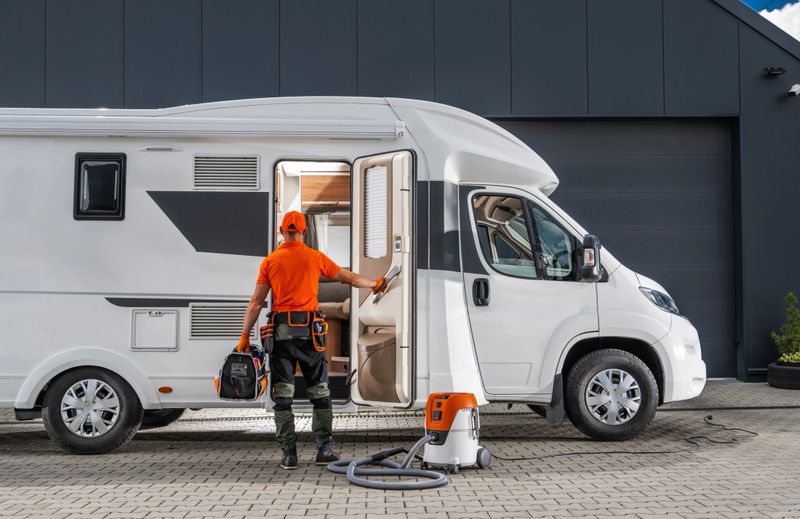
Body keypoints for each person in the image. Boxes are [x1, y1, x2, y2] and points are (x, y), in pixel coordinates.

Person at [237, 211, 385, 470]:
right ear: (304, 232)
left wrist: (243, 337)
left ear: (282, 232)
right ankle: (324, 449)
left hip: (280, 336)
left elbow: (256, 302)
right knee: (319, 392)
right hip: (310, 337)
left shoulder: (270, 261)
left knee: (282, 395)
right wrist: (375, 284)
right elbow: (349, 278)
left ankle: (289, 454)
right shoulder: (314, 258)